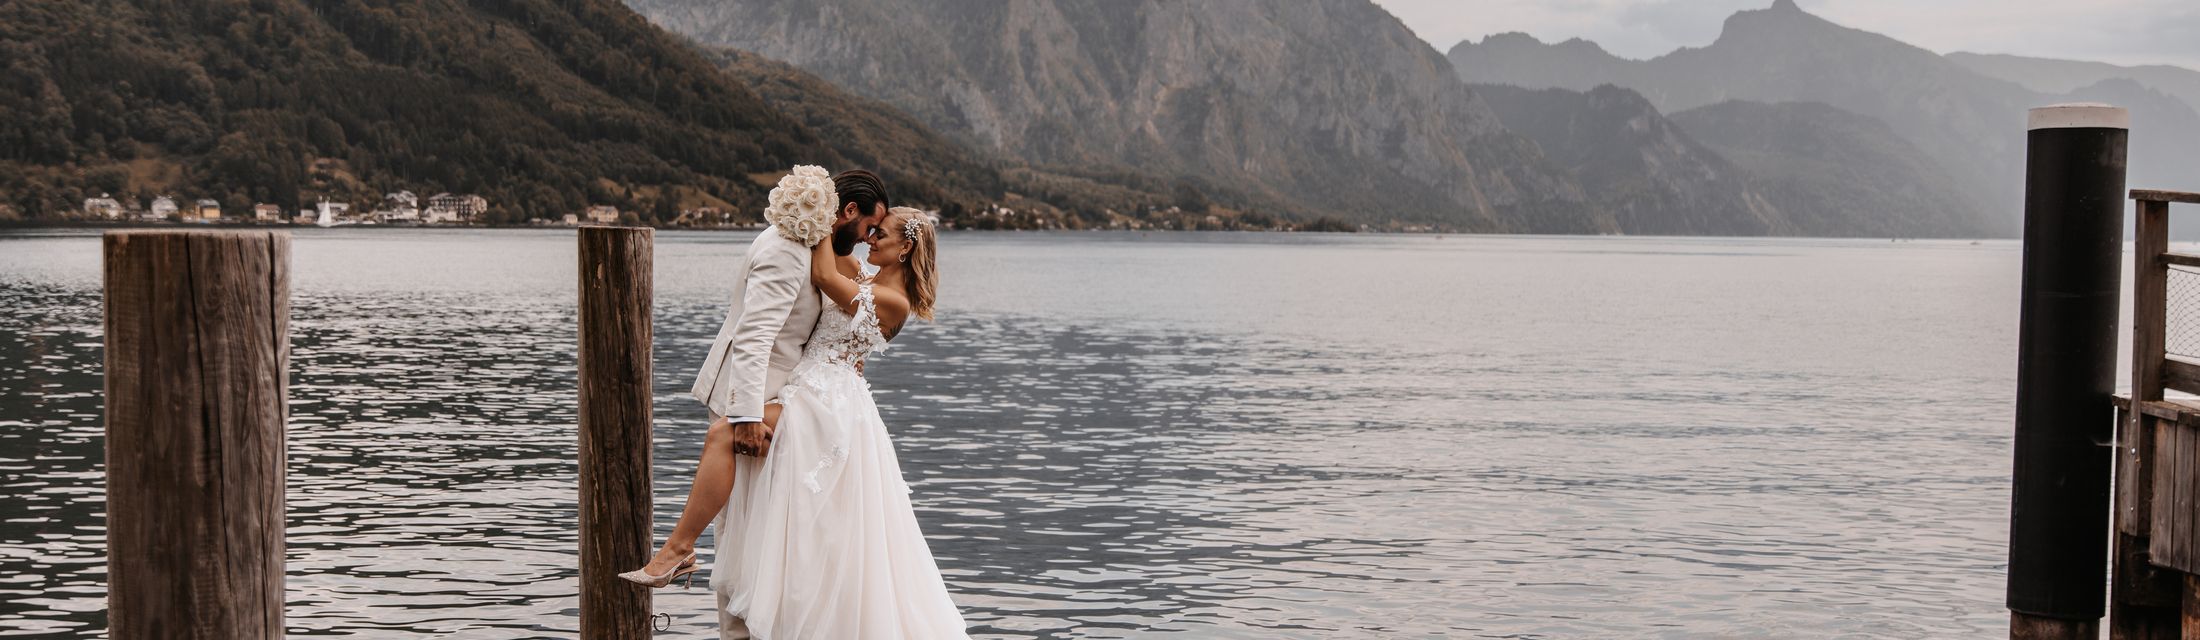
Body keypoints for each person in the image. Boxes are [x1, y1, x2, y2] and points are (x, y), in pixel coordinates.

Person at [619, 176, 967, 637]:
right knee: (782, 519)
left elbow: (824, 274)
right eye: (869, 229)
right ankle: (689, 558)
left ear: (904, 249)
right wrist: (816, 208)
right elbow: (830, 254)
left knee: (726, 433)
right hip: (808, 391)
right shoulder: (862, 277)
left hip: (829, 402)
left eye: (879, 235)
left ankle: (678, 549)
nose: (868, 239)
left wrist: (822, 213)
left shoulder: (890, 299)